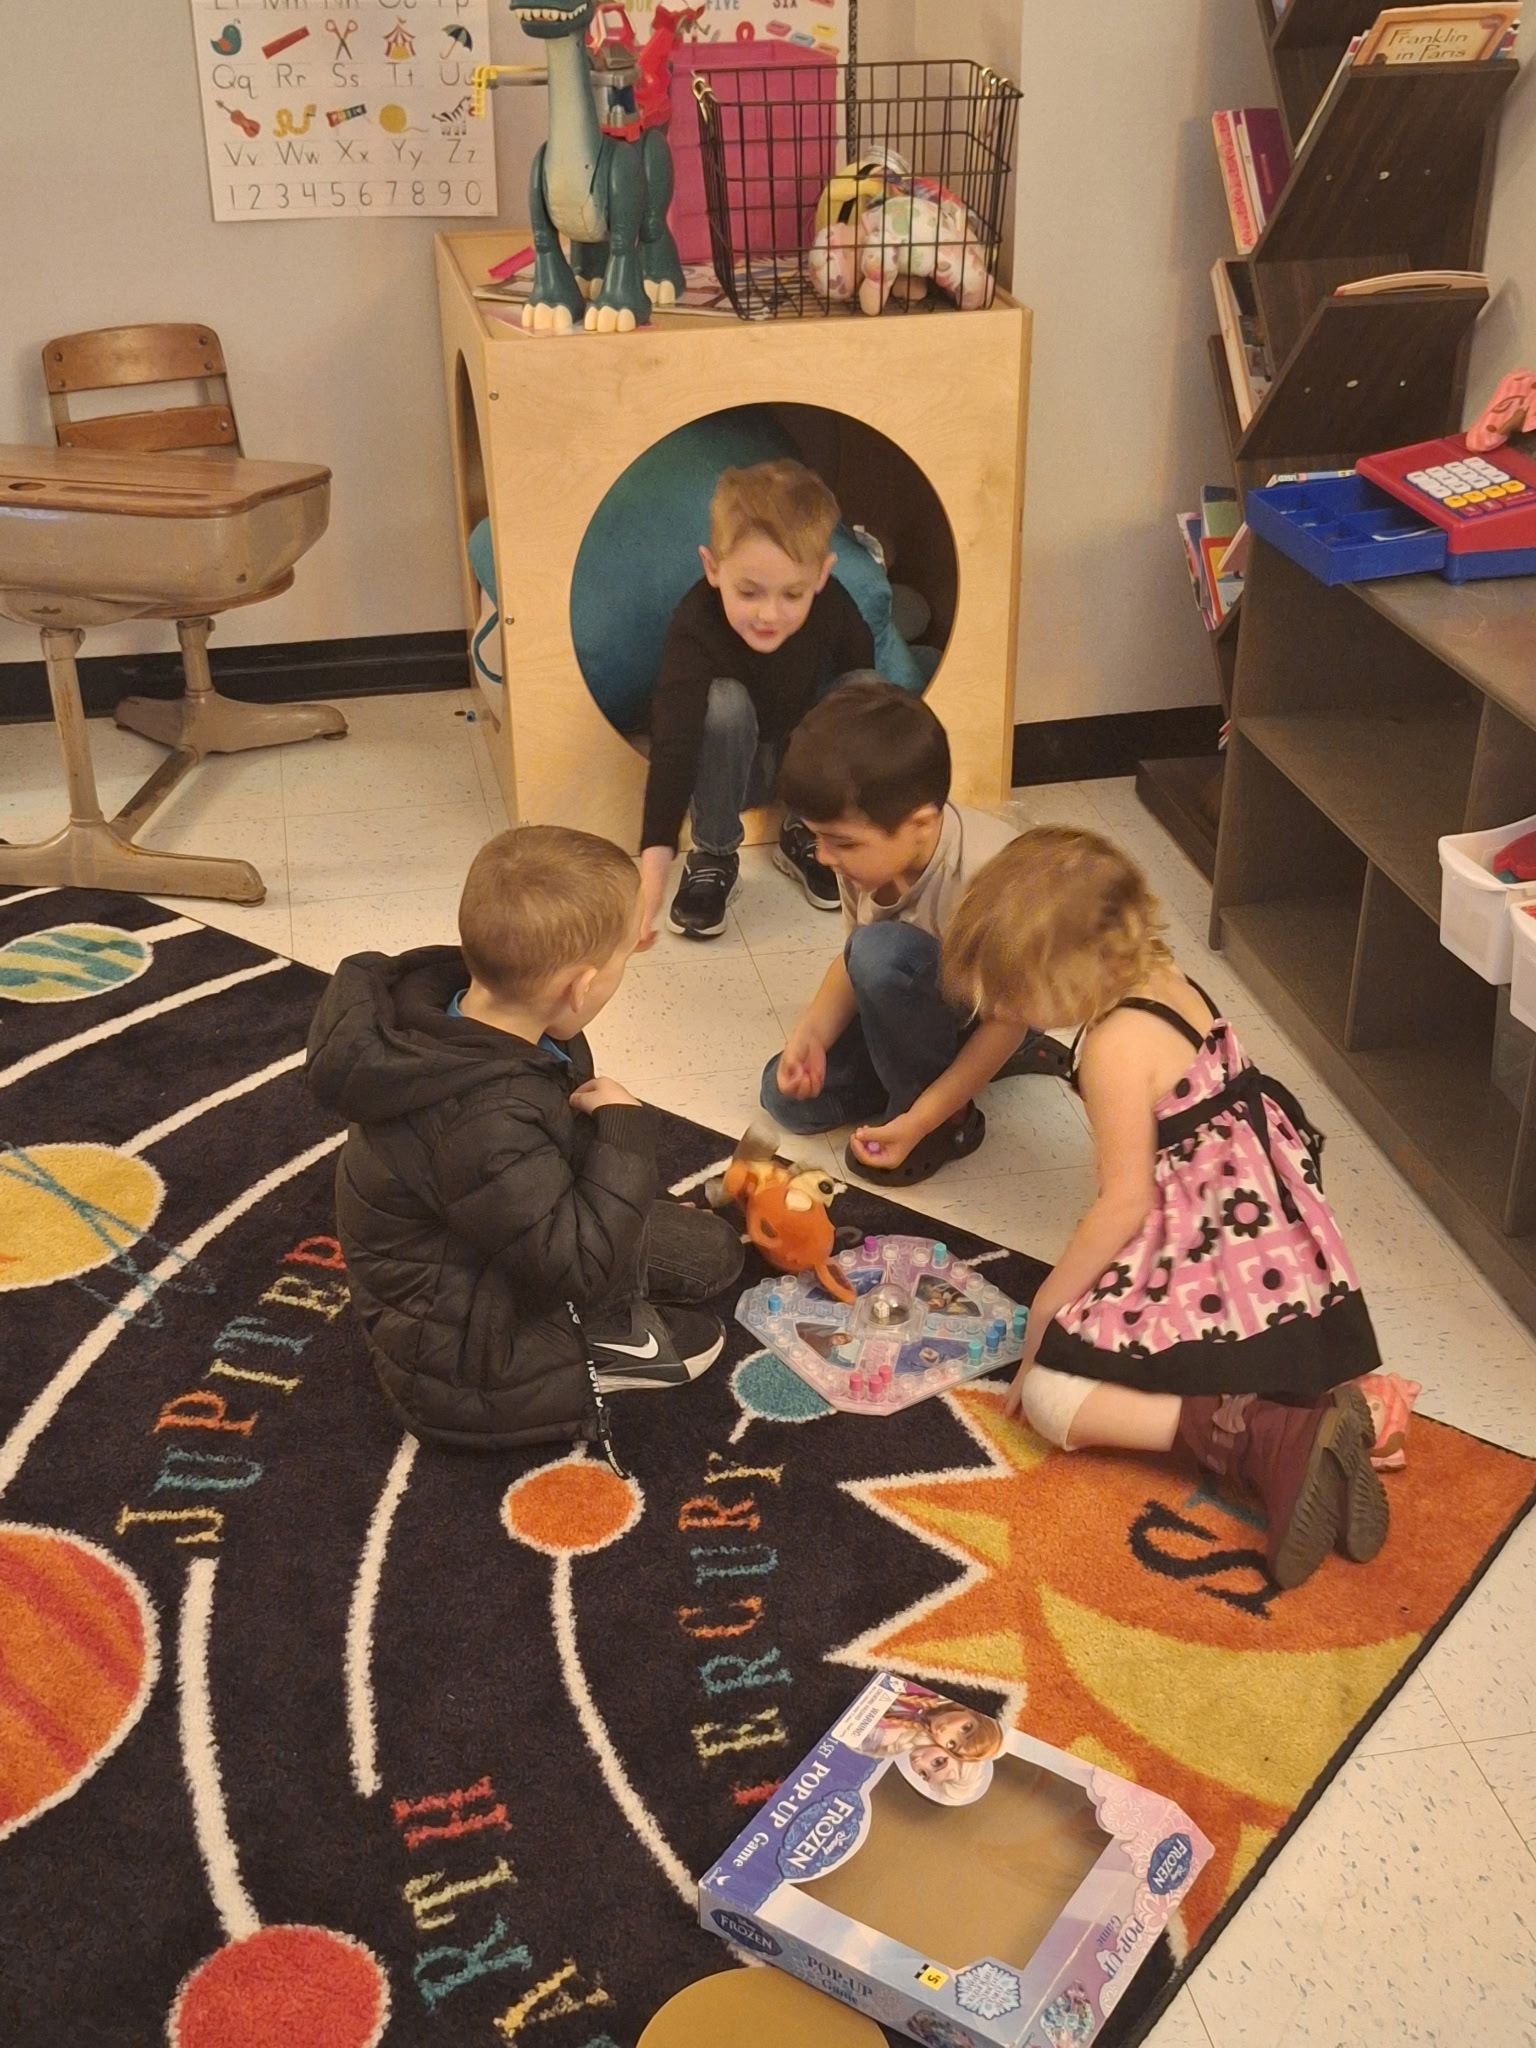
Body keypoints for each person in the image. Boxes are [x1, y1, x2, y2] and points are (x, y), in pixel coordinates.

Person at [942, 825, 1389, 1591]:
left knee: (1054, 1395)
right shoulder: (1167, 980)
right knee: (1098, 1337)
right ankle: (1295, 1411)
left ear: (1072, 973)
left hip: (1218, 1256)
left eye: (1016, 993)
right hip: (1270, 1242)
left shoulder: (1113, 1045)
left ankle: (1263, 1435)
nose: (1008, 1011)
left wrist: (1048, 1311)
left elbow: (1125, 1200)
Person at [306, 825, 743, 1455]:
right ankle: (601, 1351)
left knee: (714, 1252)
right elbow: (577, 1265)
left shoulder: (482, 1017)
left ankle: (605, 1314)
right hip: (464, 1354)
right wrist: (623, 1132)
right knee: (701, 1339)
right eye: (624, 958)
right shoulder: (481, 1122)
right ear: (581, 986)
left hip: (502, 1235)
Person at [761, 679, 1065, 1186]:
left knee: (885, 956)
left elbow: (1005, 1019)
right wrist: (811, 1034)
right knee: (784, 1098)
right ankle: (942, 1079)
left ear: (921, 824)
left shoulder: (985, 881)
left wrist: (921, 1119)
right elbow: (852, 955)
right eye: (816, 837)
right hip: (919, 999)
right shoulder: (863, 856)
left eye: (838, 842)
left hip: (1001, 1012)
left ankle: (951, 1119)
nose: (822, 856)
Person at [636, 458, 878, 944]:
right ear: (712, 567)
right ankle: (715, 854)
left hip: (796, 764)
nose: (769, 613)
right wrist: (648, 889)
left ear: (821, 575)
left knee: (865, 690)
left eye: (792, 593)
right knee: (723, 703)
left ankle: (808, 829)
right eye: (748, 591)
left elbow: (864, 681)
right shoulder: (695, 623)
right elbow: (675, 743)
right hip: (723, 774)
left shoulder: (831, 606)